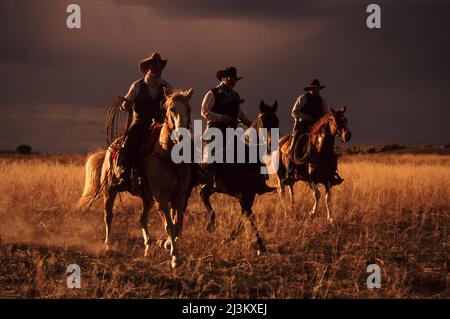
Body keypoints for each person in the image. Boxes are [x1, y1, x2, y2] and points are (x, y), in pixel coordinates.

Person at [200, 66, 275, 194]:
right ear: (223, 78)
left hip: (231, 134)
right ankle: (212, 181)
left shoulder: (235, 96)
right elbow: (204, 111)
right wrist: (222, 118)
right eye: (231, 79)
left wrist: (253, 125)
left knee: (253, 155)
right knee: (212, 159)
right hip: (214, 132)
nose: (233, 82)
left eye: (235, 79)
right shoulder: (213, 93)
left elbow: (241, 116)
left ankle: (260, 183)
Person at [114, 52, 173, 192]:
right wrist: (125, 105)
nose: (157, 69)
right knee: (129, 143)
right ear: (147, 69)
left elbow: (173, 103)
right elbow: (126, 103)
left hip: (159, 124)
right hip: (140, 123)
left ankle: (184, 176)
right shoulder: (137, 86)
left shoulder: (166, 86)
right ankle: (124, 175)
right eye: (154, 66)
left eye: (159, 66)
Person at [283, 79, 343, 185]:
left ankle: (333, 173)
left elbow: (327, 115)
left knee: (328, 145)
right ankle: (289, 171)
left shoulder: (322, 101)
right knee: (293, 145)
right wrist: (307, 118)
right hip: (302, 127)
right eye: (314, 89)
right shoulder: (302, 98)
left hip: (318, 128)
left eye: (318, 89)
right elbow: (294, 112)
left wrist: (324, 120)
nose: (316, 91)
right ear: (310, 89)